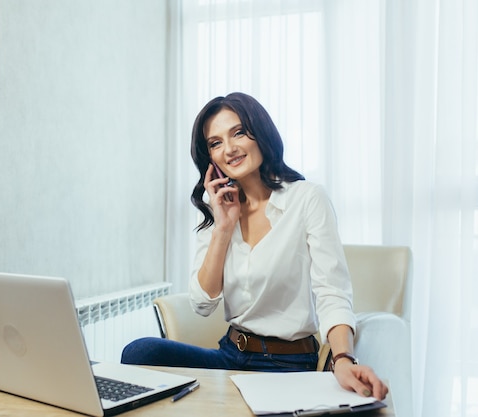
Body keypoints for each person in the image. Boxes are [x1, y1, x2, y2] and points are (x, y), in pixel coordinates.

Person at [121, 92, 388, 400]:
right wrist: (223, 226)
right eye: (216, 143)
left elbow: (333, 292)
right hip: (230, 356)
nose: (229, 149)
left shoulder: (307, 199)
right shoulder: (219, 209)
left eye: (238, 132)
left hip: (287, 363)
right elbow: (202, 303)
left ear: (260, 133)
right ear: (210, 158)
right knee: (140, 352)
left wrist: (342, 359)